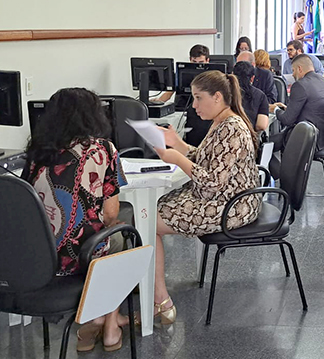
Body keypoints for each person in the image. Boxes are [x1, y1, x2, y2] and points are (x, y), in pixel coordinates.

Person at [23, 88, 128, 352]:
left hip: (37, 257)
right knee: (119, 236)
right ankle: (109, 325)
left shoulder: (36, 151)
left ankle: (100, 320)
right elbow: (111, 214)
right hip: (78, 256)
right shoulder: (103, 149)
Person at [154, 71, 260, 325]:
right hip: (225, 197)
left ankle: (160, 300)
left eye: (198, 98)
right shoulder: (222, 121)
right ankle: (150, 279)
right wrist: (178, 144)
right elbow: (205, 157)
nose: (194, 105)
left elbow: (212, 183)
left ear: (218, 96)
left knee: (148, 222)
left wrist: (177, 158)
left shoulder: (231, 127)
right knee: (151, 210)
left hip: (232, 206)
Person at [269, 54, 324, 177]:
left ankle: (281, 177)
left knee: (264, 145)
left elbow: (287, 120)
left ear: (299, 69)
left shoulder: (300, 85)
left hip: (307, 138)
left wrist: (276, 109)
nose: (293, 75)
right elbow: (313, 107)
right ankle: (281, 176)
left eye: (293, 70)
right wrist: (288, 109)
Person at [232, 60, 270, 132]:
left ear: (232, 75)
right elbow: (261, 125)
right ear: (252, 78)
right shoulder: (260, 96)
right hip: (248, 138)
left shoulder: (224, 92)